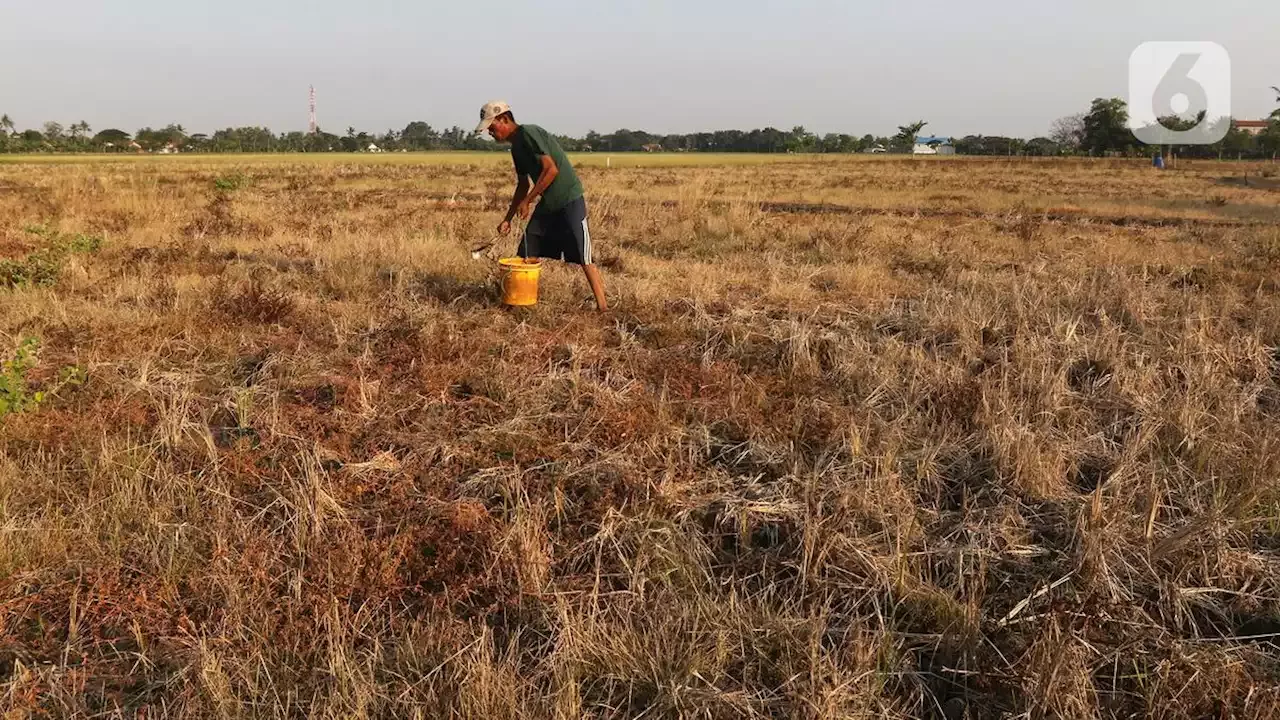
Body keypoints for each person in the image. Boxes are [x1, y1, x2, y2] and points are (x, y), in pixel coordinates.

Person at [475, 101, 607, 311]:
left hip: (568, 198)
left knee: (584, 255)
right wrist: (507, 218)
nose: (490, 132)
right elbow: (522, 185)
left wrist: (528, 201)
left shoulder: (528, 133)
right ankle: (519, 302)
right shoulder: (516, 149)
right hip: (548, 202)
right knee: (527, 251)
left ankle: (603, 308)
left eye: (492, 127)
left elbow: (551, 170)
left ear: (505, 119)